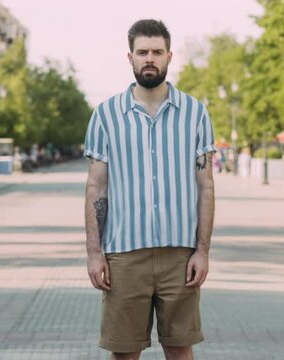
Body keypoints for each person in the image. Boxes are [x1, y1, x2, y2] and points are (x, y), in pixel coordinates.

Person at [83, 19, 216, 360]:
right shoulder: (106, 115)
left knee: (180, 349)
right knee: (124, 352)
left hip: (180, 255)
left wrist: (202, 251)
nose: (150, 58)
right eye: (142, 52)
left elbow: (206, 186)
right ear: (130, 57)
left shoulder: (195, 113)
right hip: (124, 256)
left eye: (157, 52)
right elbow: (97, 187)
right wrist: (94, 253)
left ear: (170, 56)